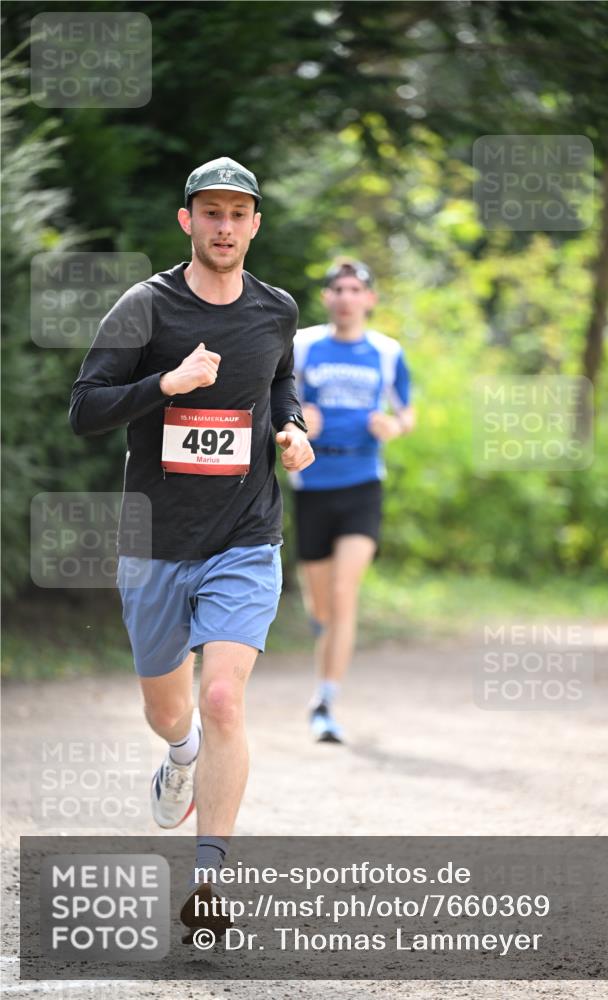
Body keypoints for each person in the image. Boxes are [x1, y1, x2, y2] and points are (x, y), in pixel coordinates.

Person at [69, 156, 313, 939]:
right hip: (155, 543)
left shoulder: (275, 311)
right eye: (210, 212)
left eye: (237, 214)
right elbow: (85, 410)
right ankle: (180, 755)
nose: (224, 226)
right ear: (187, 221)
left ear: (254, 225)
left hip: (243, 535)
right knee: (172, 710)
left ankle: (209, 883)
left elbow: (280, 384)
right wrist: (165, 387)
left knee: (222, 698)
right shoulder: (144, 307)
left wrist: (293, 429)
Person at [291, 259, 415, 744]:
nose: (345, 297)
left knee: (345, 594)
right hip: (313, 484)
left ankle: (325, 699)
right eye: (337, 289)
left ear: (369, 299)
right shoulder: (303, 345)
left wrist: (394, 426)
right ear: (326, 298)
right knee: (321, 606)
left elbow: (407, 412)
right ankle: (324, 656)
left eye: (354, 289)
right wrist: (300, 419)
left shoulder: (387, 352)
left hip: (363, 481)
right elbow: (276, 396)